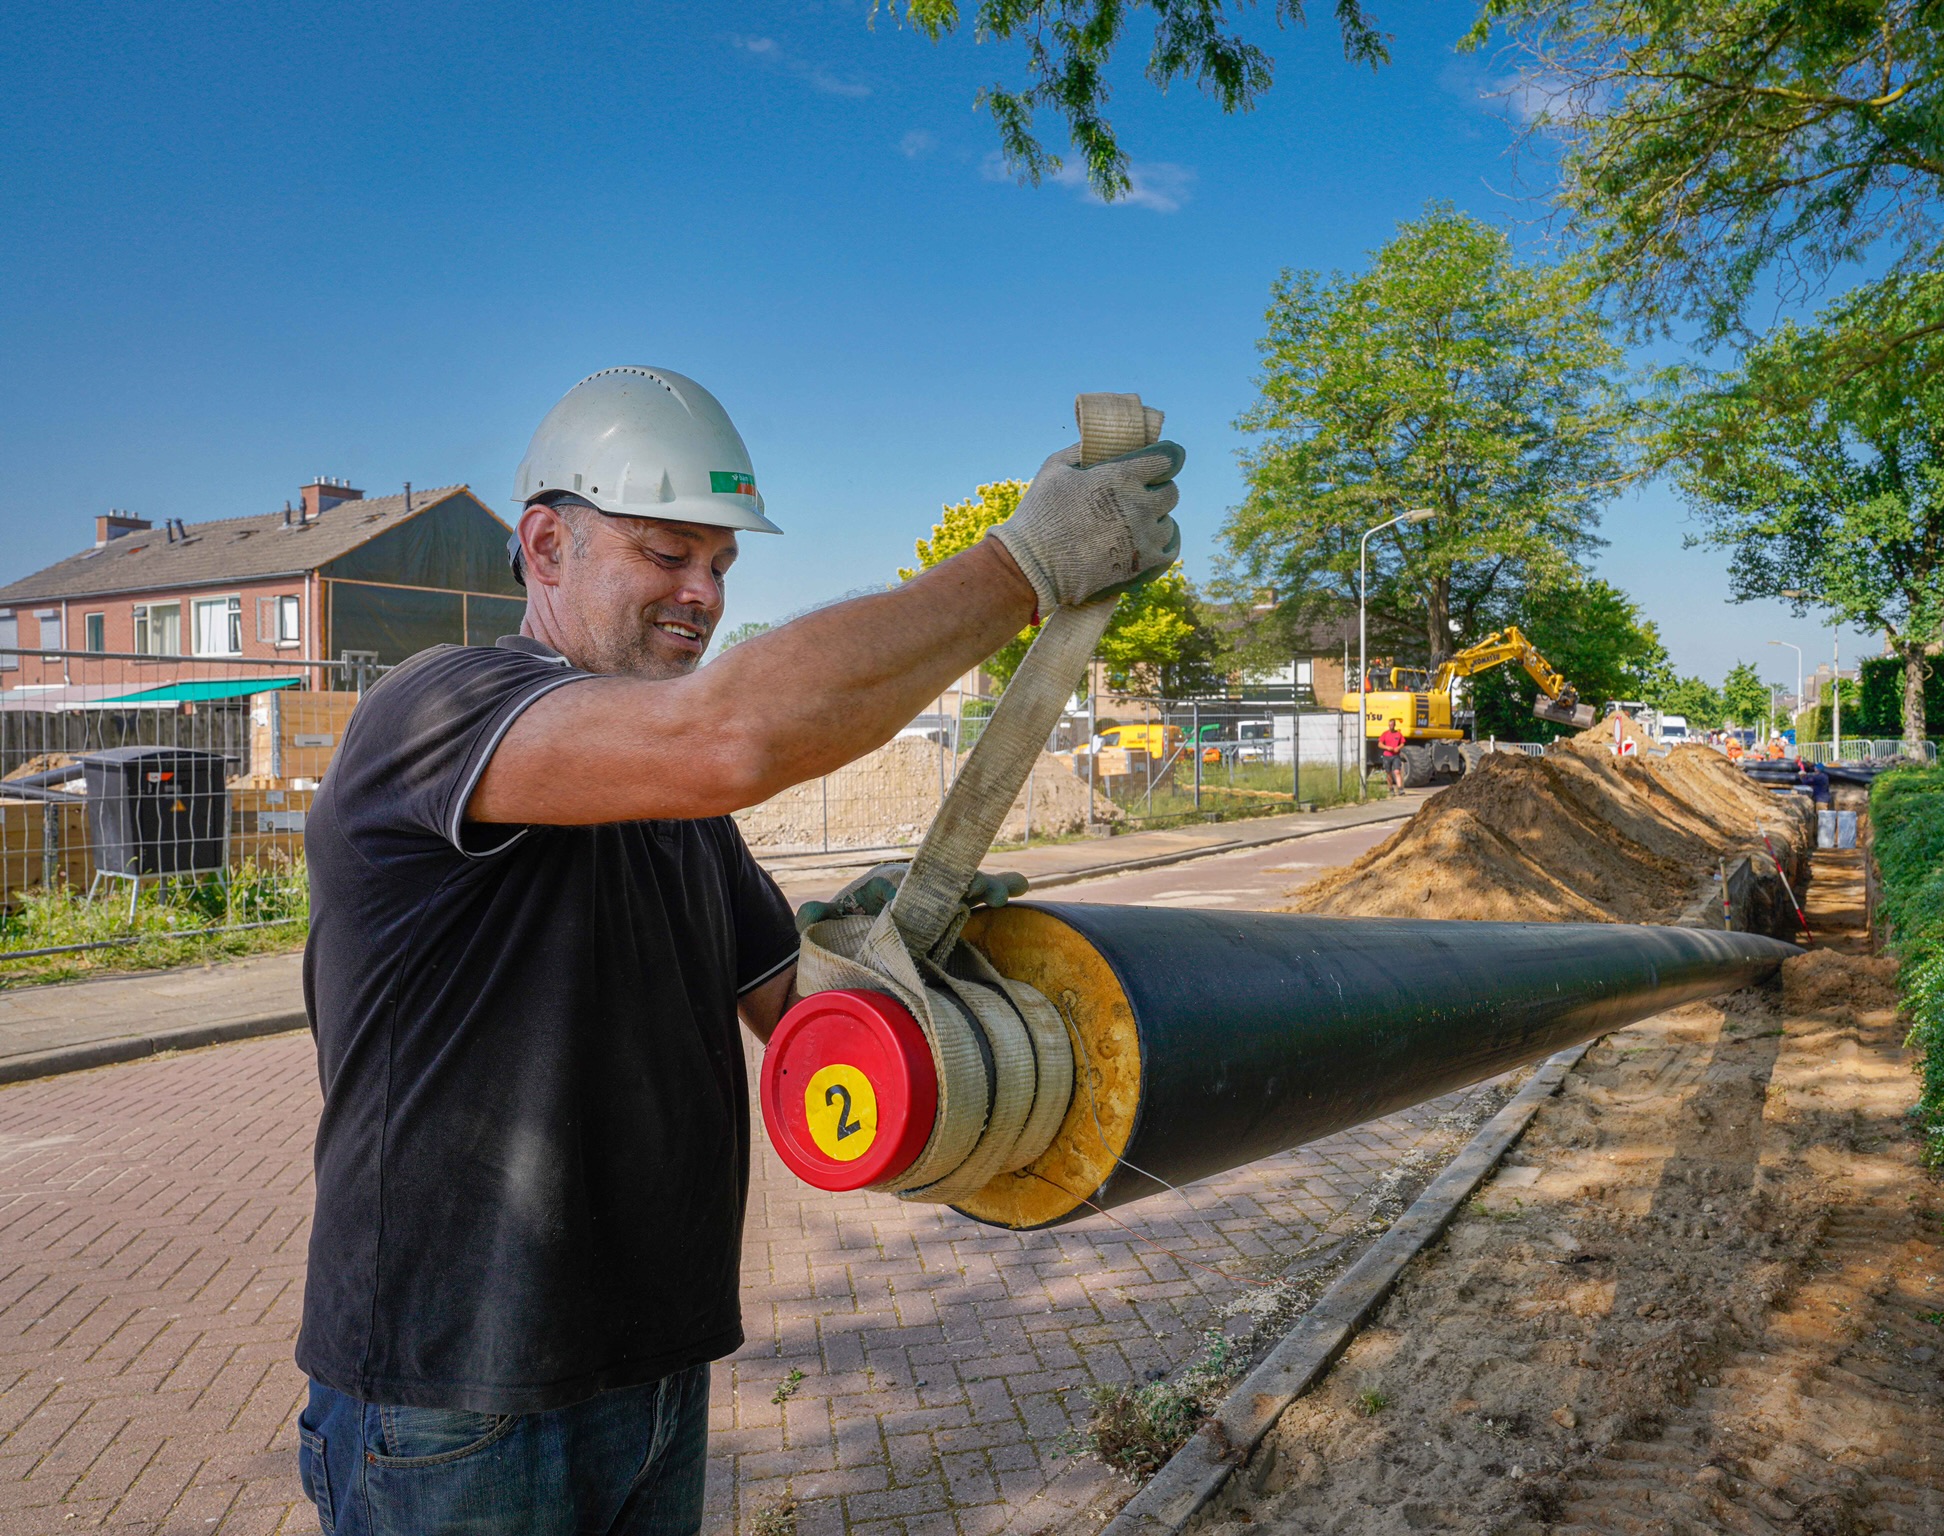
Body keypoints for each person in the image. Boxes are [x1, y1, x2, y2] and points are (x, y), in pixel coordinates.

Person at [293, 366, 1184, 1536]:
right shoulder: (436, 708)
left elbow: (795, 1010)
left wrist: (905, 965)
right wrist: (1023, 570)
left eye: (721, 565)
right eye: (669, 555)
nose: (703, 595)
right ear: (548, 545)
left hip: (656, 1362)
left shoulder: (672, 805)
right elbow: (733, 735)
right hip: (457, 1391)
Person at [1379, 718, 1407, 790]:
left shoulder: (1398, 734)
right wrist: (1387, 747)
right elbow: (1380, 744)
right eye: (1390, 724)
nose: (1391, 726)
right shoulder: (1385, 734)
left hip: (1395, 756)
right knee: (1388, 773)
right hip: (1387, 756)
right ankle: (1390, 788)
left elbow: (1402, 743)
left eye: (1392, 724)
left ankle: (1400, 789)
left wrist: (1398, 747)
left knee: (1397, 771)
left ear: (1394, 725)